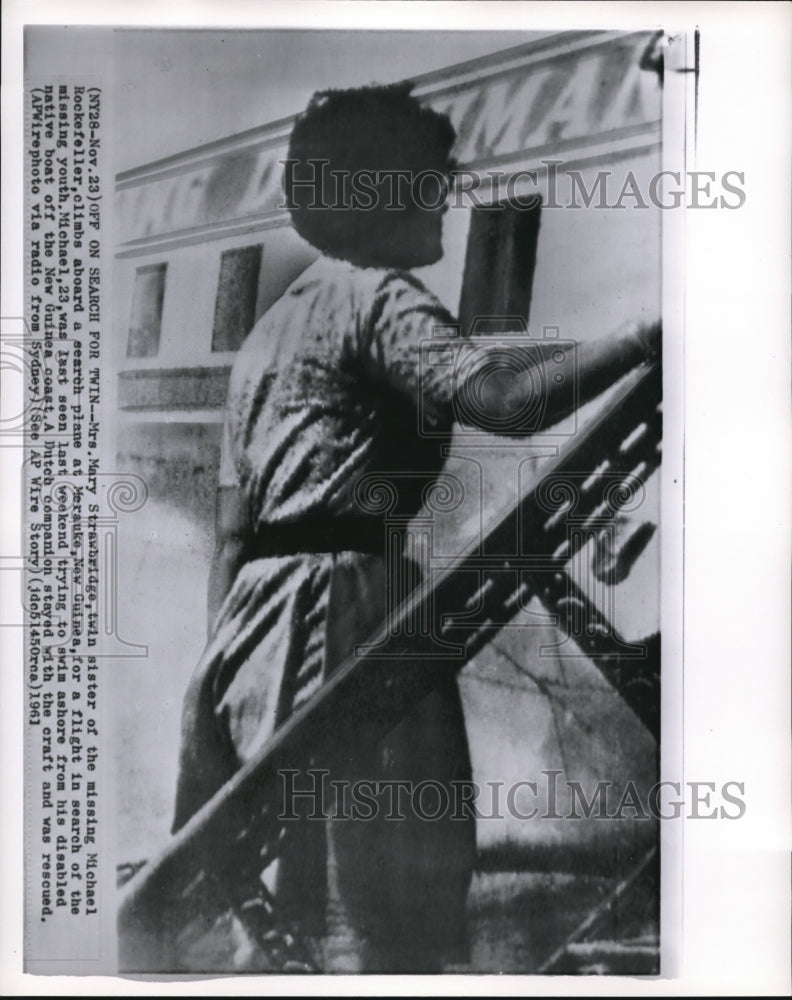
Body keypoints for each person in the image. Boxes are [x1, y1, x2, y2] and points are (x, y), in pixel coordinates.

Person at [171, 82, 659, 973]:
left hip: (251, 629)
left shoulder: (266, 338)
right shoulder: (379, 297)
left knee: (288, 905)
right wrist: (646, 336)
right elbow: (507, 405)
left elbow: (233, 539)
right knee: (398, 902)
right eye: (434, 179)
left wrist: (226, 676)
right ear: (382, 190)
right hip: (354, 610)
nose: (446, 196)